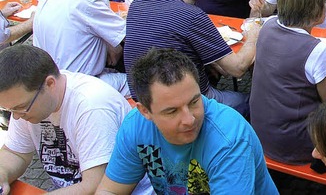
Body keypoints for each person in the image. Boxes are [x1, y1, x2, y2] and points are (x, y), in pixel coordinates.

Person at [96, 48, 278, 194]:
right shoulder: (135, 127)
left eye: (194, 102)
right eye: (172, 111)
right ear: (145, 111)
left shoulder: (228, 137)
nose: (189, 120)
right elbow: (110, 189)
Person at [0, 46, 153, 194]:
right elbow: (15, 152)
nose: (17, 116)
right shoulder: (28, 99)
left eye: (21, 107)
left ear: (50, 84)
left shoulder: (92, 106)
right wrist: (2, 173)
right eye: (10, 110)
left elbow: (96, 185)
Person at [124, 0, 256, 115]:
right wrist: (253, 35)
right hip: (188, 103)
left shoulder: (136, 6)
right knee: (253, 102)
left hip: (144, 99)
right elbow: (237, 68)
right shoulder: (191, 15)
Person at [250, 0, 326, 163]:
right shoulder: (317, 50)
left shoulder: (268, 26)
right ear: (318, 12)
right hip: (295, 143)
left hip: (260, 132)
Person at [33, 0, 128, 95]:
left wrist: (110, 44)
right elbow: (128, 36)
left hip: (50, 84)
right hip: (81, 86)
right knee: (144, 85)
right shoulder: (85, 0)